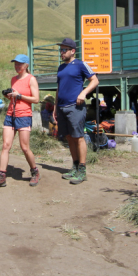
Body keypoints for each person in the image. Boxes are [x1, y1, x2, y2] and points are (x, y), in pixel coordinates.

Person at [0, 54, 41, 189]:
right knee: (6, 145)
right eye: (15, 64)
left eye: (19, 64)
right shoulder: (13, 79)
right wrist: (9, 97)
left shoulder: (31, 79)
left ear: (26, 65)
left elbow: (36, 99)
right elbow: (15, 99)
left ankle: (35, 171)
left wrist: (19, 95)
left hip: (24, 116)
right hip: (10, 115)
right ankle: (1, 177)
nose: (17, 66)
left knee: (24, 147)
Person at [54, 38, 99, 185]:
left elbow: (95, 80)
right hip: (61, 107)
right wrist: (55, 107)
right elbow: (58, 89)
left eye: (64, 50)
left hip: (75, 107)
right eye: (60, 50)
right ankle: (74, 166)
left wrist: (83, 93)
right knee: (68, 137)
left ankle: (82, 170)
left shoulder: (80, 64)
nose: (61, 52)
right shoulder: (61, 68)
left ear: (72, 51)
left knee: (78, 137)